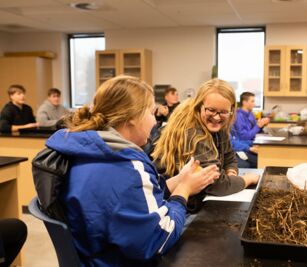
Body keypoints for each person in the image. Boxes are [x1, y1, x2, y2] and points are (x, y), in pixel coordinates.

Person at [34, 75, 219, 266]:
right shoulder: (125, 166)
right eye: (151, 113)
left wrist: (179, 180)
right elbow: (158, 239)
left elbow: (126, 199)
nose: (155, 122)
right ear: (132, 118)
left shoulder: (85, 150)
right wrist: (184, 191)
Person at [152, 79, 260, 213]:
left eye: (223, 112)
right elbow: (217, 185)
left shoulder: (218, 126)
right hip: (174, 208)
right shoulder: (194, 133)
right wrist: (247, 179)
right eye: (211, 110)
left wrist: (231, 172)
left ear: (232, 110)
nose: (216, 117)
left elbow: (229, 156)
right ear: (199, 106)